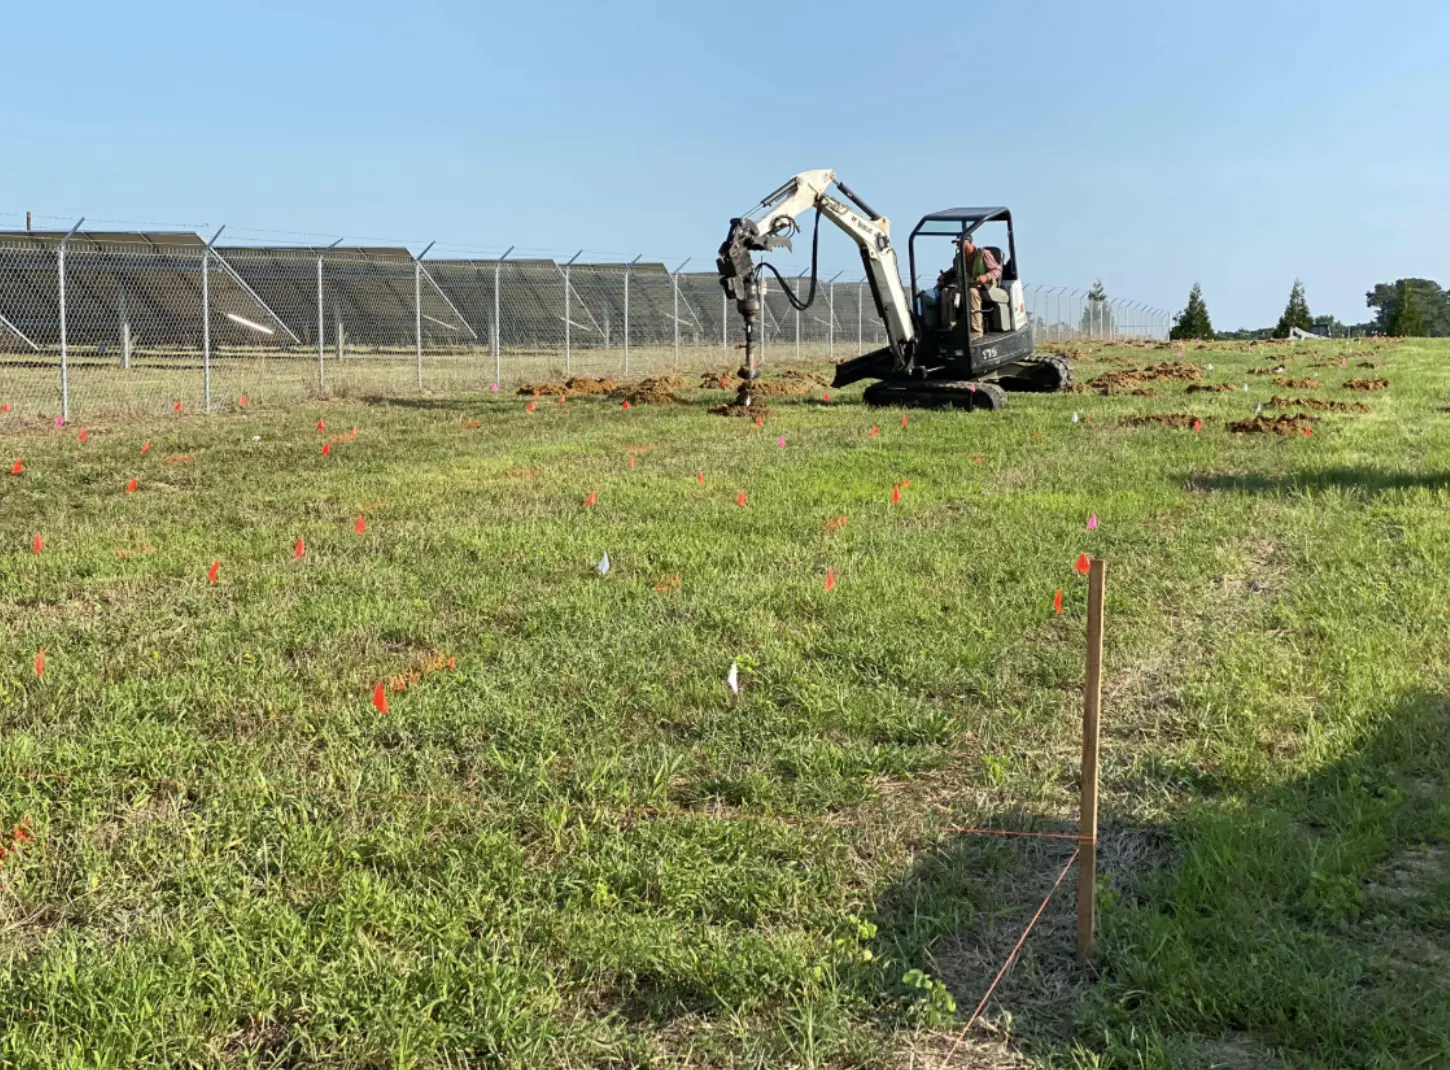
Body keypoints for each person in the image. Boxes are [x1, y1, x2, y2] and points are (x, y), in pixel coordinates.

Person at [937, 235, 1002, 337]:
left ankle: (976, 331)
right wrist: (944, 276)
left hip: (984, 287)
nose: (959, 246)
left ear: (970, 242)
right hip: (964, 285)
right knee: (946, 291)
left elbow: (997, 270)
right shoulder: (958, 258)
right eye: (958, 244)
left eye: (962, 243)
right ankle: (950, 326)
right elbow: (954, 270)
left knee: (972, 292)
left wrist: (986, 276)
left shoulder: (983, 254)